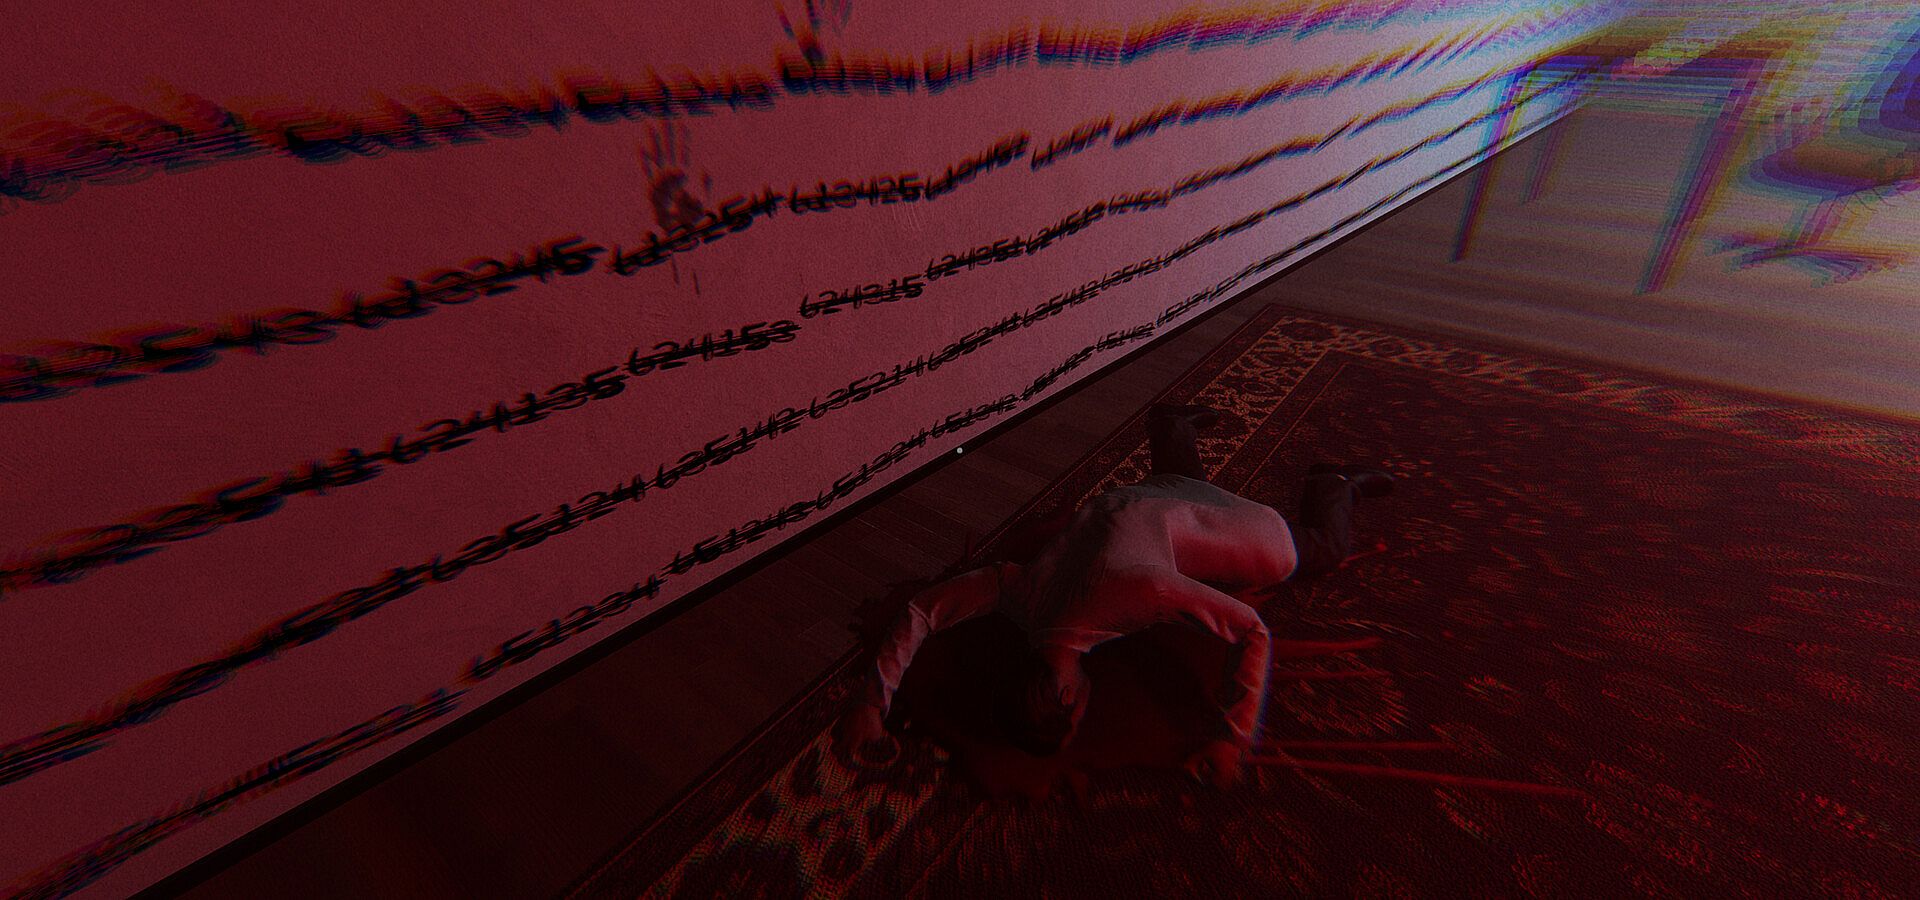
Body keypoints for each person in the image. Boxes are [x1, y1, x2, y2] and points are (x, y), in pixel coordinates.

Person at [833, 402, 1394, 787]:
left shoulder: (1142, 591)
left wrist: (1235, 735)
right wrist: (871, 703)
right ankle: (1171, 424)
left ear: (1067, 696)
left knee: (1316, 551)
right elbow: (922, 611)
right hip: (1125, 503)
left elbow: (1251, 629)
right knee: (1171, 498)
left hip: (1175, 516)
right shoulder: (1016, 592)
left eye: (1078, 719)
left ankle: (1333, 483)